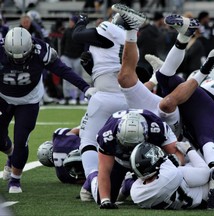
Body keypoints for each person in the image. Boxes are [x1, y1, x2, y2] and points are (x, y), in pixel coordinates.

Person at [111, 3, 214, 209]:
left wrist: (110, 196)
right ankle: (196, 56)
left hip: (143, 119)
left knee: (127, 78)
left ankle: (133, 28)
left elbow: (119, 176)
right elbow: (181, 155)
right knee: (167, 98)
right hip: (171, 128)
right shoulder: (167, 162)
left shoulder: (115, 137)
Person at [0, 27, 96, 193]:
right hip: (2, 97)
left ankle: (15, 179)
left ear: (30, 48)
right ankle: (11, 154)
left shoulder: (41, 51)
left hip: (28, 99)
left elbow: (63, 70)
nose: (18, 61)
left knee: (21, 138)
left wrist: (85, 88)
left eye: (22, 57)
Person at [71, 12, 129, 203]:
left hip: (105, 97)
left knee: (88, 139)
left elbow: (77, 35)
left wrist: (81, 20)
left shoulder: (109, 31)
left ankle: (92, 184)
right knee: (124, 143)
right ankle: (126, 183)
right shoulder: (130, 41)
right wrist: (91, 67)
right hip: (127, 99)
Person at [97, 108, 181, 208]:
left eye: (134, 147)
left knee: (165, 188)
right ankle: (90, 180)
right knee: (104, 198)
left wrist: (175, 161)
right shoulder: (107, 135)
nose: (131, 152)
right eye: (126, 146)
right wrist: (105, 200)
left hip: (149, 161)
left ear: (146, 136)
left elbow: (178, 154)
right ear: (117, 135)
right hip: (119, 160)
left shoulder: (157, 128)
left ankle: (128, 185)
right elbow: (104, 170)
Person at [60, 15, 86, 105]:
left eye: (71, 21)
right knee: (66, 76)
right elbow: (62, 43)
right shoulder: (67, 31)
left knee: (78, 77)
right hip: (67, 56)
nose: (70, 23)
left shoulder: (80, 31)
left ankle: (78, 97)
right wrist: (62, 55)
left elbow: (84, 45)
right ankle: (67, 96)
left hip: (78, 57)